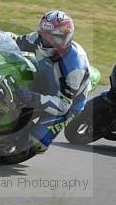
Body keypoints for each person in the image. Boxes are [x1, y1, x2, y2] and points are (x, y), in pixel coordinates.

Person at [11, 10, 93, 153]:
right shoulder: (36, 39)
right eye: (44, 35)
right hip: (43, 82)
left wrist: (33, 98)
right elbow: (13, 41)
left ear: (66, 38)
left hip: (66, 103)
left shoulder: (74, 67)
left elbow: (63, 106)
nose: (46, 40)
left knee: (35, 144)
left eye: (53, 38)